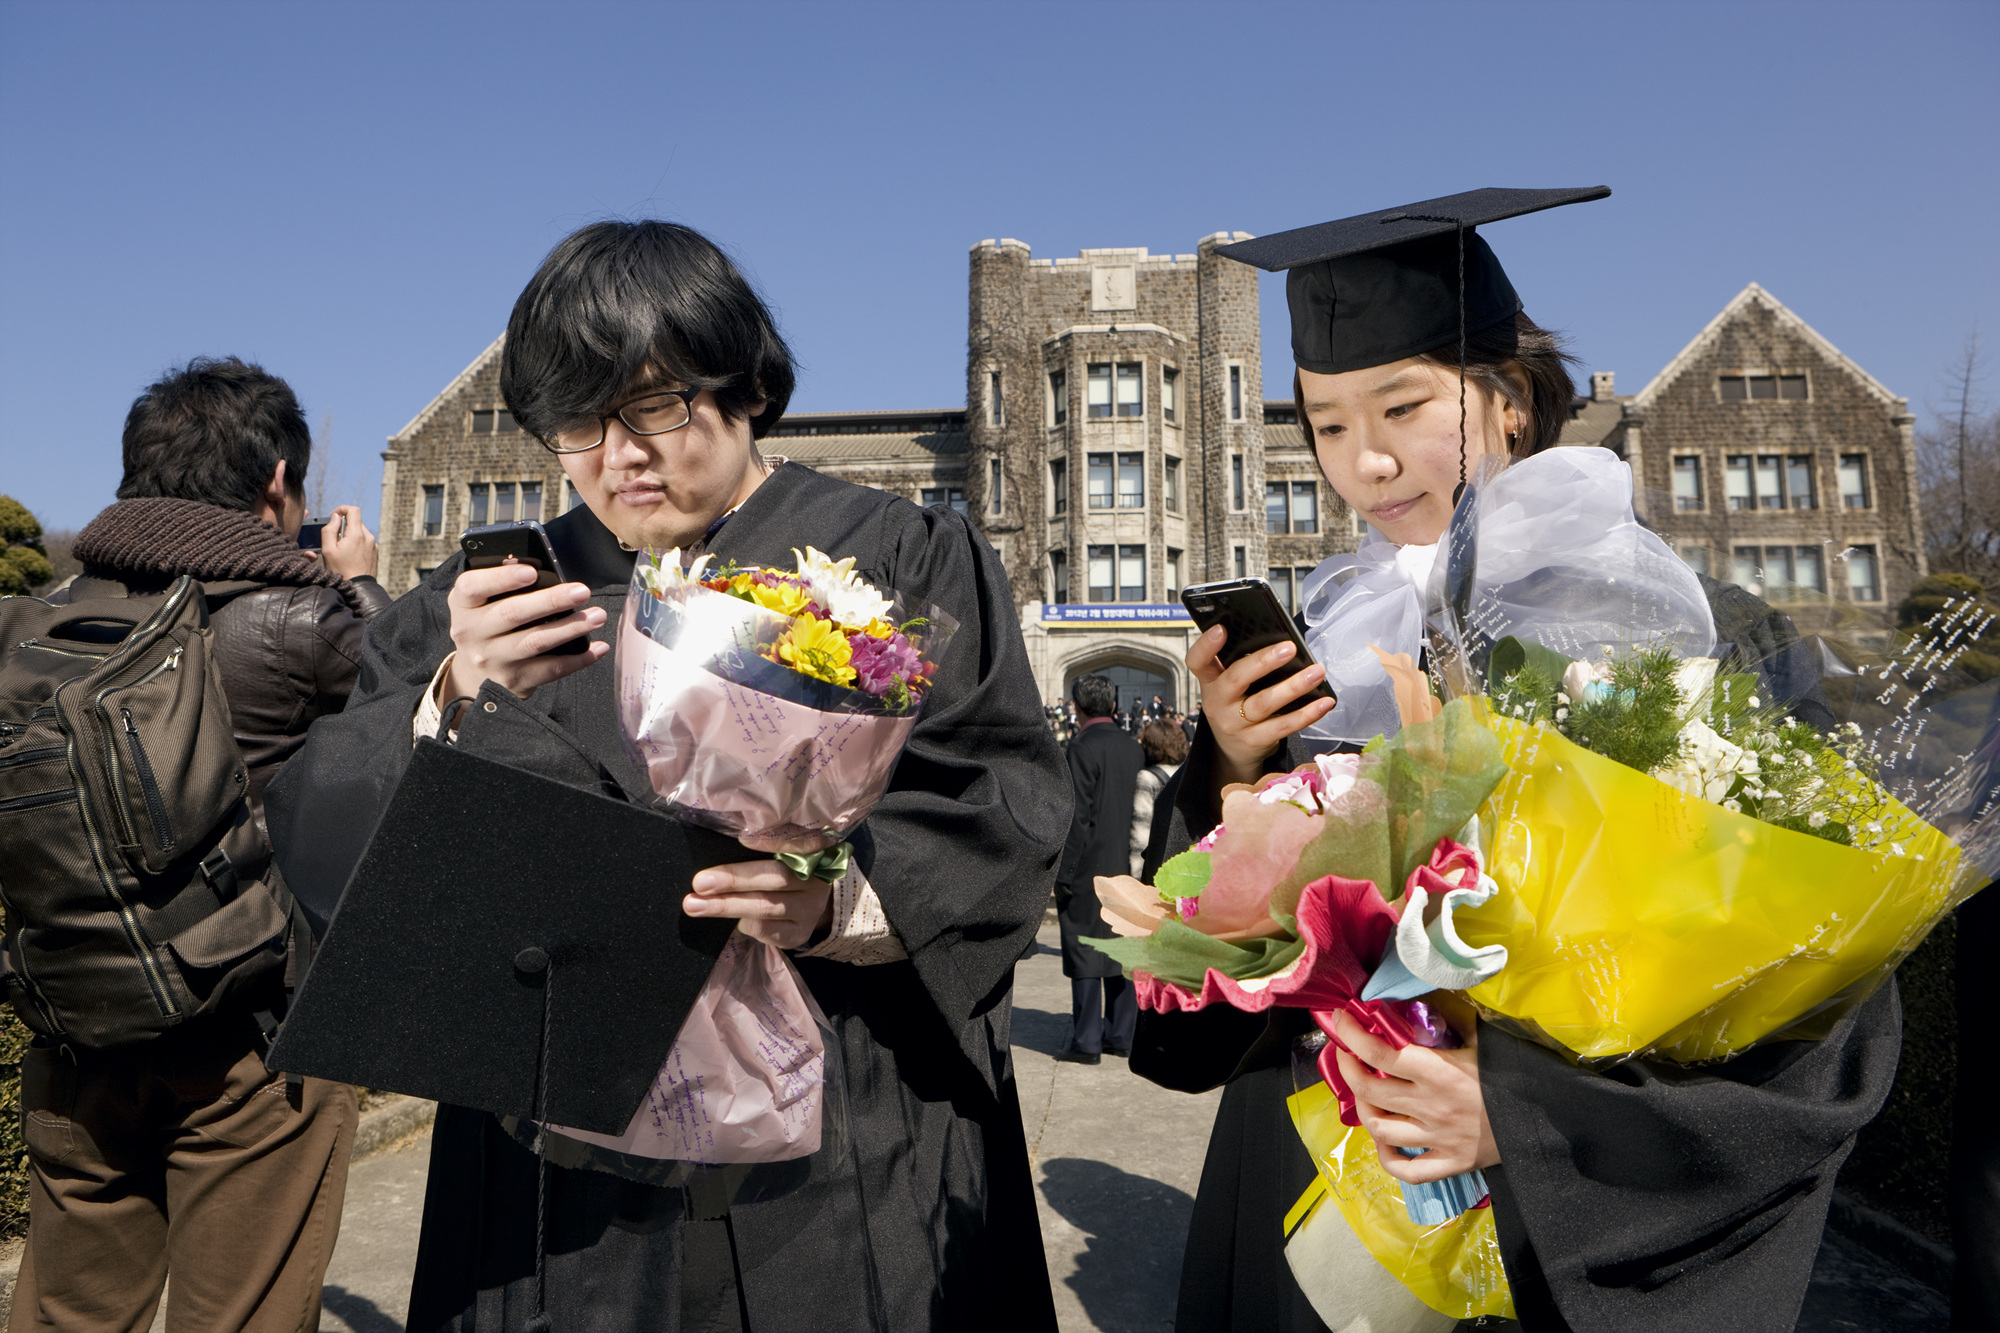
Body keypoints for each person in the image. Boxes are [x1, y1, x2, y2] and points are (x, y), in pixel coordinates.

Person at [262, 220, 1068, 1331]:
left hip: (843, 1129)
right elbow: (328, 852)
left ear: (745, 386)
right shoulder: (494, 592)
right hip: (556, 1173)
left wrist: (834, 897)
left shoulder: (895, 556)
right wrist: (447, 700)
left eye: (651, 407)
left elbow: (1001, 803)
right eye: (578, 421)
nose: (618, 454)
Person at [1130, 190, 1897, 1333]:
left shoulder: (1689, 630)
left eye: (1401, 407)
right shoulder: (1318, 658)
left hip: (1549, 1223)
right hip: (1307, 1184)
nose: (1369, 464)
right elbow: (1198, 981)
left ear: (1508, 398)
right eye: (1327, 426)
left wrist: (1523, 1116)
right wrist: (1226, 771)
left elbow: (1816, 995)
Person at [10, 357, 388, 1331]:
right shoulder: (304, 619)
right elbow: (426, 725)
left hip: (73, 1029)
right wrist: (363, 586)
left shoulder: (34, 622)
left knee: (63, 1316)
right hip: (248, 1043)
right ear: (274, 484)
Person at [1053, 674, 1145, 1064]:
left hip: (1090, 866)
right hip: (1131, 866)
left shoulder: (1081, 747)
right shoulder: (1134, 748)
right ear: (1112, 704)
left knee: (1087, 949)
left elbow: (1078, 819)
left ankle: (1088, 1039)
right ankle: (1122, 1034)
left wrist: (1063, 873)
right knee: (1124, 948)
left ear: (1077, 706)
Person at [1130, 719, 1188, 876]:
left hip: (1160, 865)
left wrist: (1136, 875)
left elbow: (1141, 828)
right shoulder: (1187, 774)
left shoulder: (1147, 777)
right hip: (1187, 862)